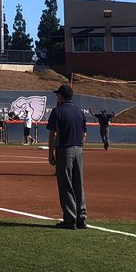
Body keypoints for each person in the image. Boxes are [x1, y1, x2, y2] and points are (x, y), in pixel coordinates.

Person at [46, 84, 88, 229]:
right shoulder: (79, 112)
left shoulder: (57, 111)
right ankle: (81, 218)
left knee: (66, 184)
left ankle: (70, 219)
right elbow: (84, 134)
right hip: (79, 150)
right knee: (78, 184)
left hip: (65, 150)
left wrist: (50, 152)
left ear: (62, 96)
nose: (56, 97)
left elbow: (53, 133)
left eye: (58, 95)